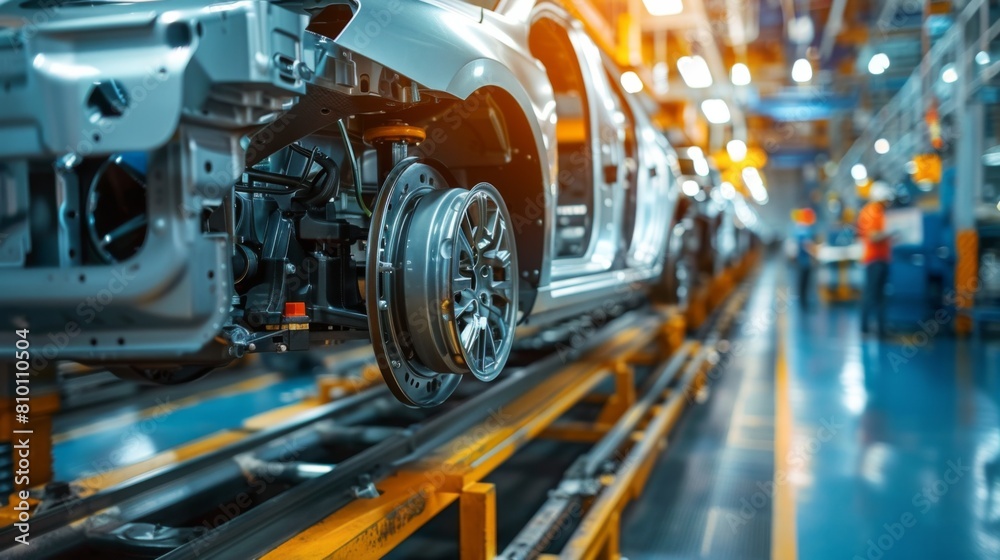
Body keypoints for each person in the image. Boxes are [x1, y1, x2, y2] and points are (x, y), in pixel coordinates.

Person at [857, 182, 894, 336]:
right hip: (874, 260)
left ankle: (880, 329)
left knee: (879, 296)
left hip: (881, 259)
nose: (888, 203)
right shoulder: (872, 212)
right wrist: (890, 233)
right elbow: (873, 236)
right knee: (872, 295)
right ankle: (865, 328)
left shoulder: (878, 212)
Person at [792, 208, 817, 310]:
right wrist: (815, 252)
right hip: (804, 261)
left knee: (803, 283)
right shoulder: (804, 229)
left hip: (802, 260)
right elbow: (807, 244)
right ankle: (803, 304)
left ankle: (803, 302)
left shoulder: (799, 228)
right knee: (804, 283)